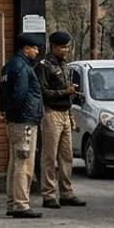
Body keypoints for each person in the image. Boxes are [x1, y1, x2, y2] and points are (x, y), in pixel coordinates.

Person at [36, 31, 86, 210]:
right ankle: (48, 194)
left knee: (67, 155)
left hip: (65, 112)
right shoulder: (44, 66)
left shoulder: (65, 65)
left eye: (67, 47)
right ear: (54, 47)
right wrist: (64, 93)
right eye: (63, 47)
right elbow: (43, 92)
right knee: (49, 156)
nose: (66, 50)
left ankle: (66, 192)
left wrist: (71, 113)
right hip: (51, 112)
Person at [0, 34, 44, 219]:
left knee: (14, 163)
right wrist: (12, 111)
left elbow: (2, 95)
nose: (37, 51)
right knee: (24, 163)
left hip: (14, 122)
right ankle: (21, 205)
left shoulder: (8, 66)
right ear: (26, 48)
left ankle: (12, 202)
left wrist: (4, 111)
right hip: (24, 121)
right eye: (34, 48)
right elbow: (20, 95)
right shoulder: (23, 68)